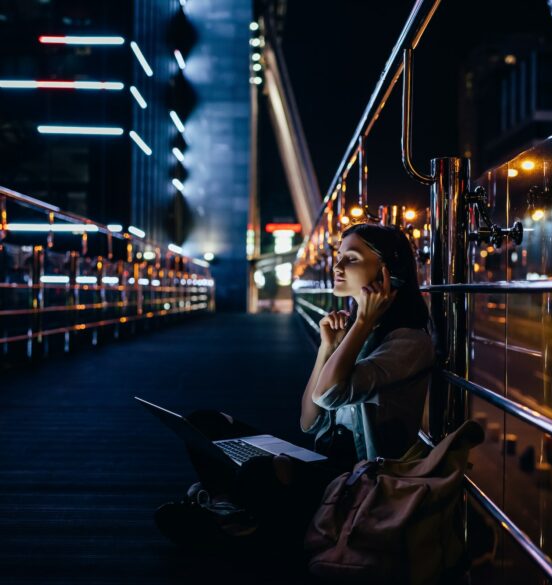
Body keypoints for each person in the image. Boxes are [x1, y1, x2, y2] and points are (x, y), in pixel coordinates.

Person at [154, 223, 435, 563]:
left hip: (357, 483)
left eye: (351, 258)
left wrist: (360, 325)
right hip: (320, 463)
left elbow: (330, 394)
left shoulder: (407, 342)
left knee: (263, 473)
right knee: (204, 423)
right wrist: (327, 348)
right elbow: (309, 421)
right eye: (337, 256)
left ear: (387, 271)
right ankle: (232, 514)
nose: (337, 267)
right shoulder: (351, 331)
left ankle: (232, 518)